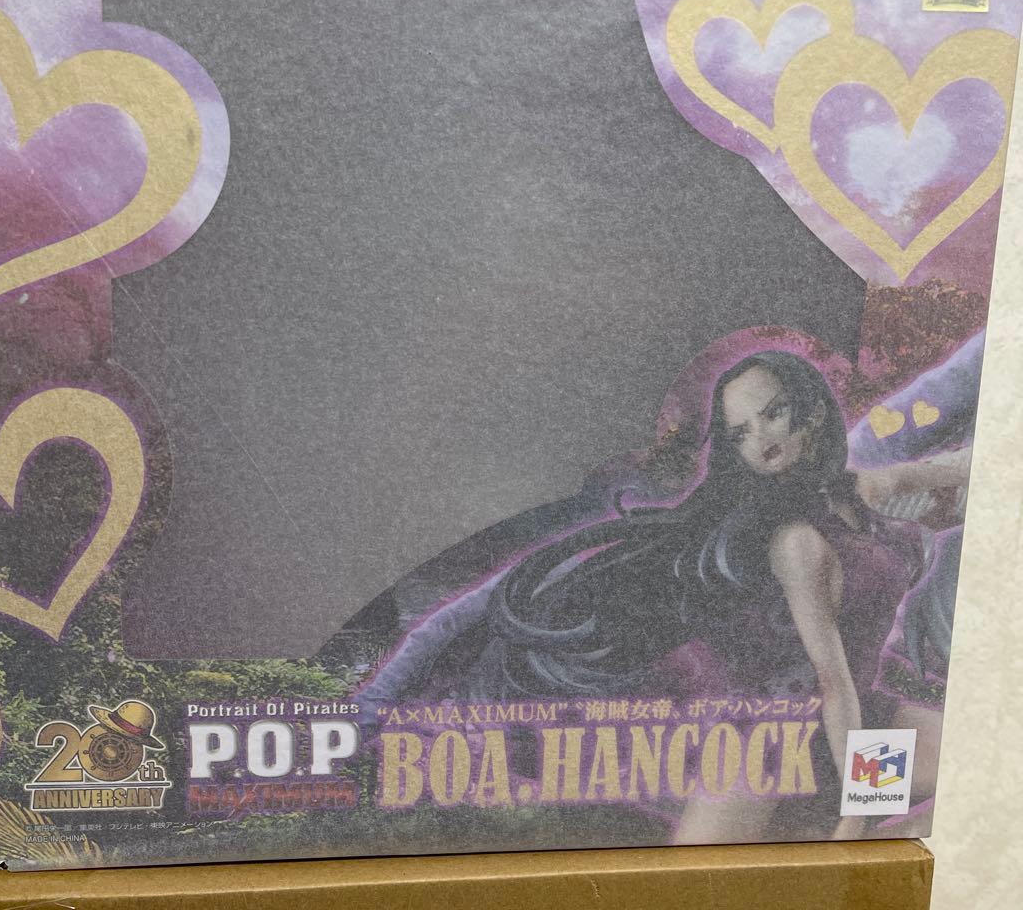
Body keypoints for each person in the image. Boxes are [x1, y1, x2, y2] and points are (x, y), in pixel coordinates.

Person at [357, 343, 975, 841]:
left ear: (812, 411)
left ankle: (859, 846)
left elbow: (987, 463)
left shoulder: (862, 492)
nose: (760, 438)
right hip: (764, 746)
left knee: (988, 776)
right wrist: (858, 816)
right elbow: (830, 682)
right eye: (739, 432)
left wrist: (924, 475)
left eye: (773, 412)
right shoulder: (795, 543)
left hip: (852, 728)